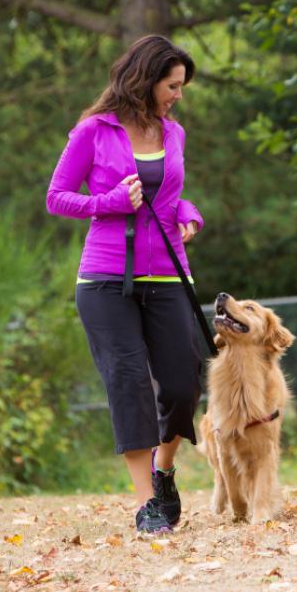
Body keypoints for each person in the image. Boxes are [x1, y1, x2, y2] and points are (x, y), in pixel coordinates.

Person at [46, 34, 204, 534]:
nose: (177, 94)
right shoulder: (93, 131)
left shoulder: (172, 133)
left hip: (168, 273)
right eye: (172, 85)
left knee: (183, 382)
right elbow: (57, 197)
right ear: (146, 79)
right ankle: (146, 506)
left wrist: (190, 214)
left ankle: (164, 470)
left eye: (180, 86)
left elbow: (171, 197)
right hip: (105, 279)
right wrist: (106, 202)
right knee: (129, 383)